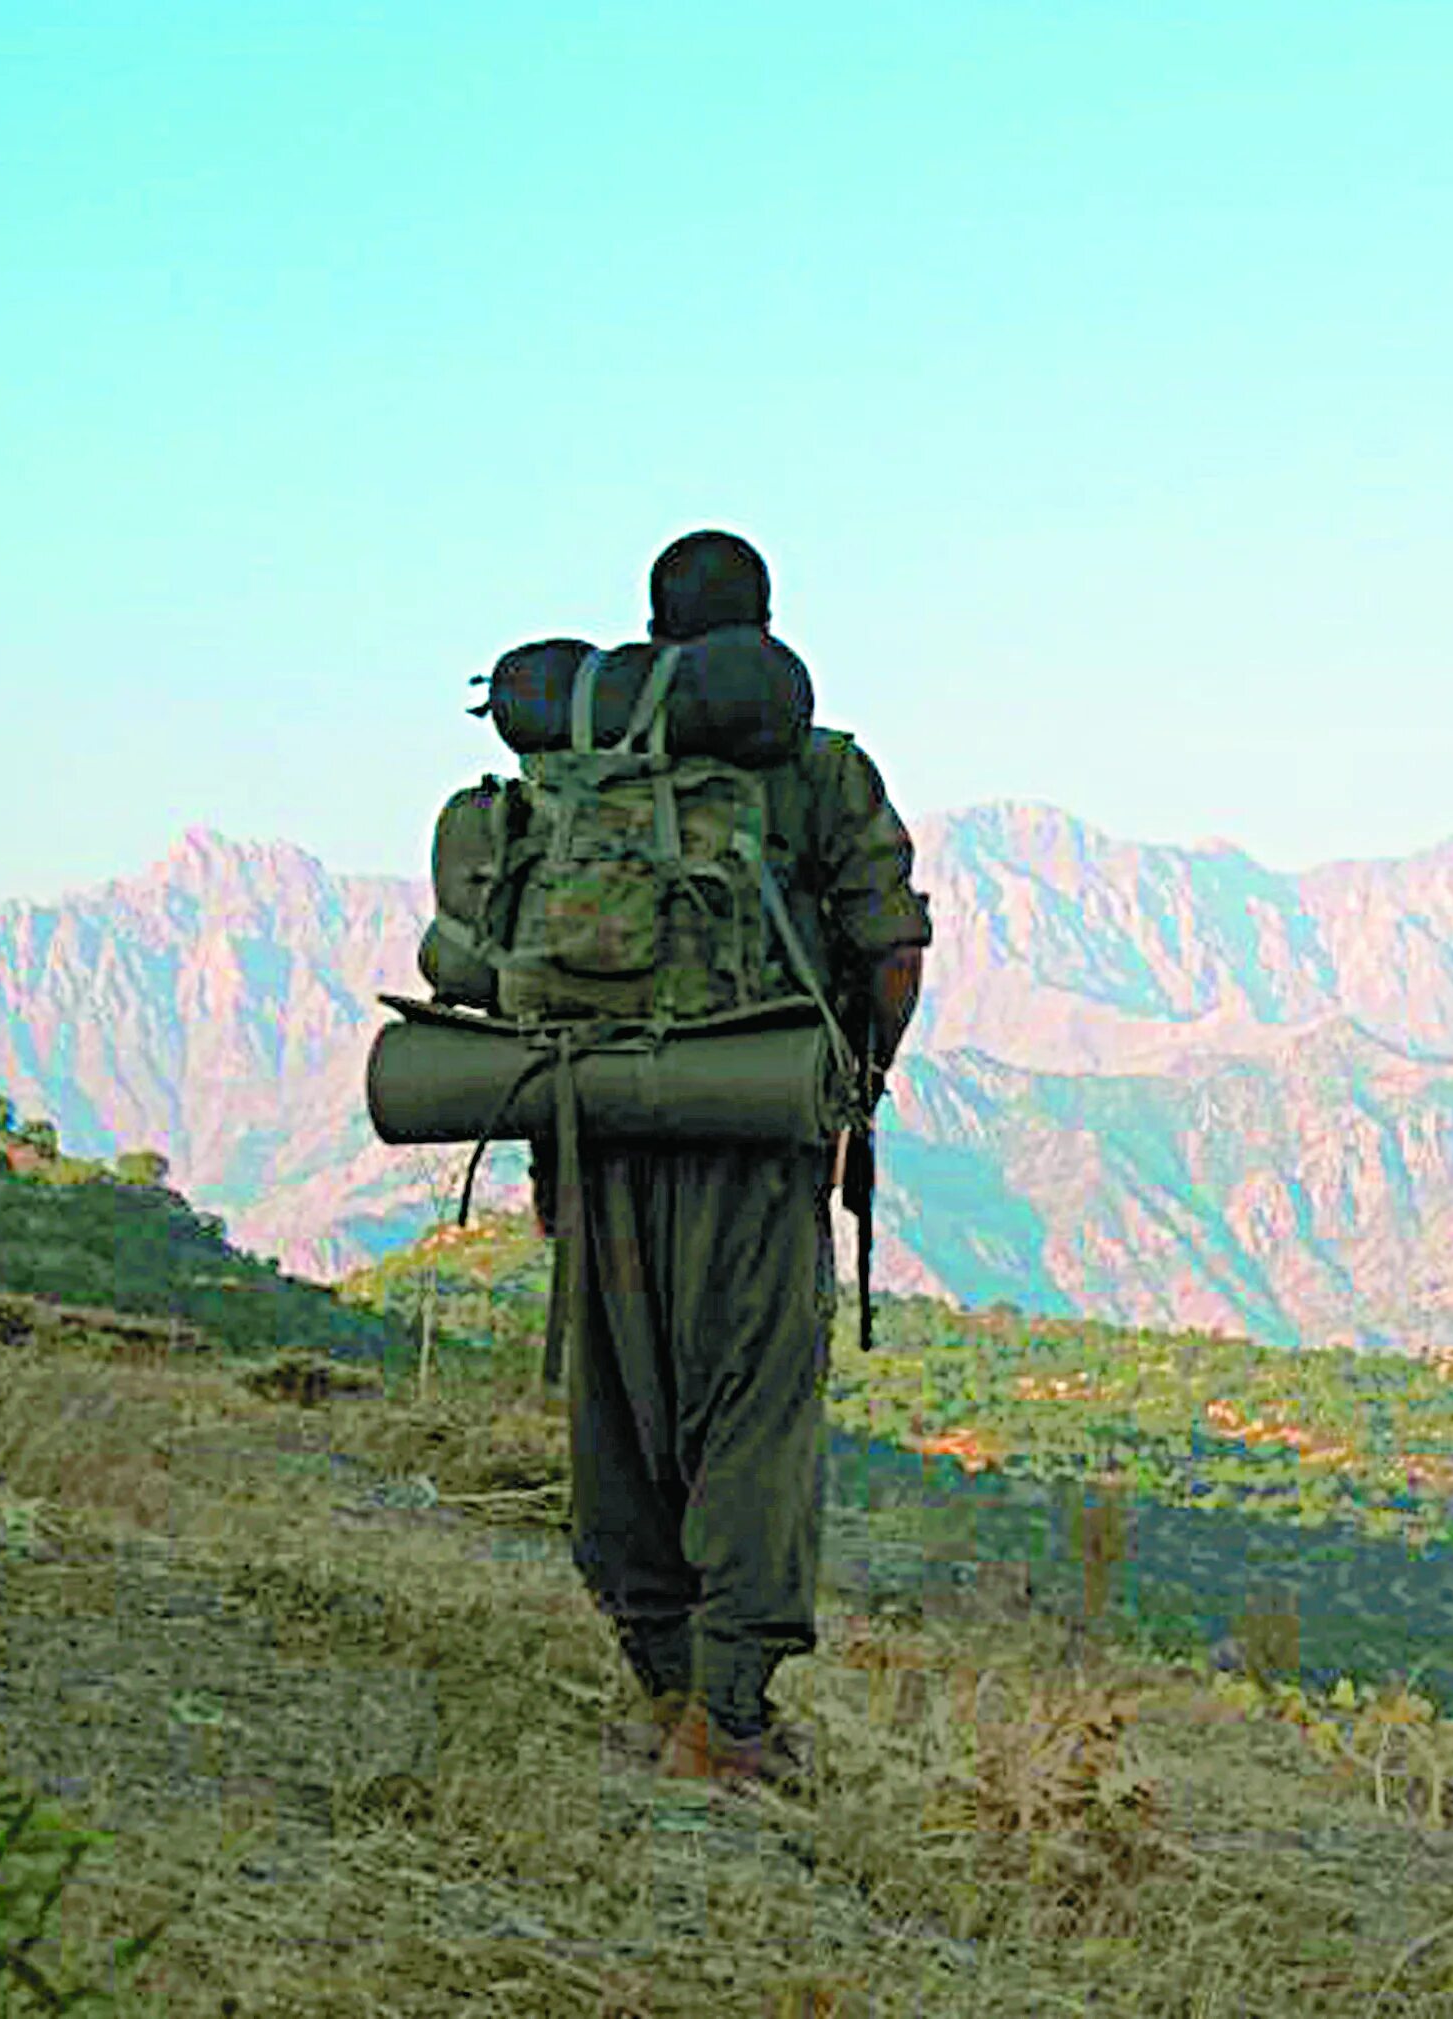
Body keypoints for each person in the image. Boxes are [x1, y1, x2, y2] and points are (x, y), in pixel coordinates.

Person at [538, 530, 931, 1794]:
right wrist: (854, 1085)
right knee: (752, 1422)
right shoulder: (818, 773)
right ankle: (730, 1722)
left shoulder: (585, 770)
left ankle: (663, 1687)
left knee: (623, 1411)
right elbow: (892, 949)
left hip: (596, 1136)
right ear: (764, 636)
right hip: (755, 1142)